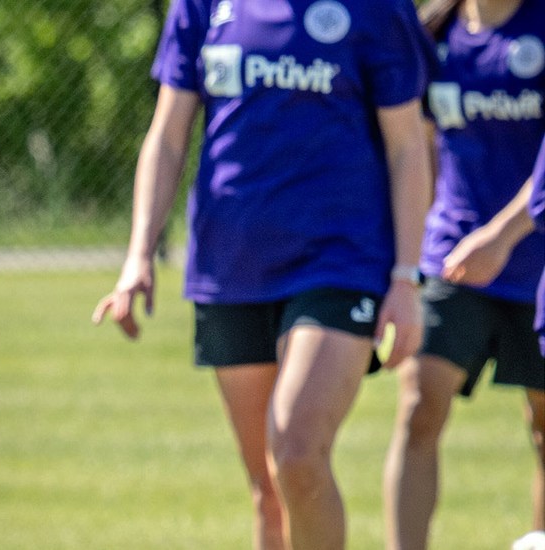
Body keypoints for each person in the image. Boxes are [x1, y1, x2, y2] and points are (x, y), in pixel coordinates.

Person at [92, 0, 435, 548]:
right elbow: (169, 135)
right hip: (230, 265)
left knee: (297, 451)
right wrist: (138, 254)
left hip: (339, 259)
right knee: (269, 491)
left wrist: (405, 277)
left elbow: (408, 146)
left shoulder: (375, 8)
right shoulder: (201, 7)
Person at [379, 1, 545, 549]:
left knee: (543, 424)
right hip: (451, 258)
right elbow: (417, 148)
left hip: (535, 260)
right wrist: (407, 254)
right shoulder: (432, 35)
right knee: (419, 404)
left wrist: (503, 235)